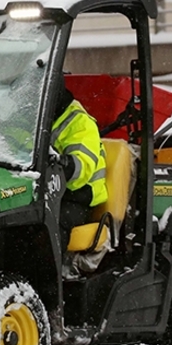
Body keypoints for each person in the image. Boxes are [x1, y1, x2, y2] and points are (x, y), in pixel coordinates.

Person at [51, 85, 108, 252]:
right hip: (47, 194)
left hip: (77, 198)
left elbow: (80, 170)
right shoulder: (35, 117)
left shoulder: (81, 123)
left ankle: (48, 276)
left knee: (48, 222)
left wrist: (59, 163)